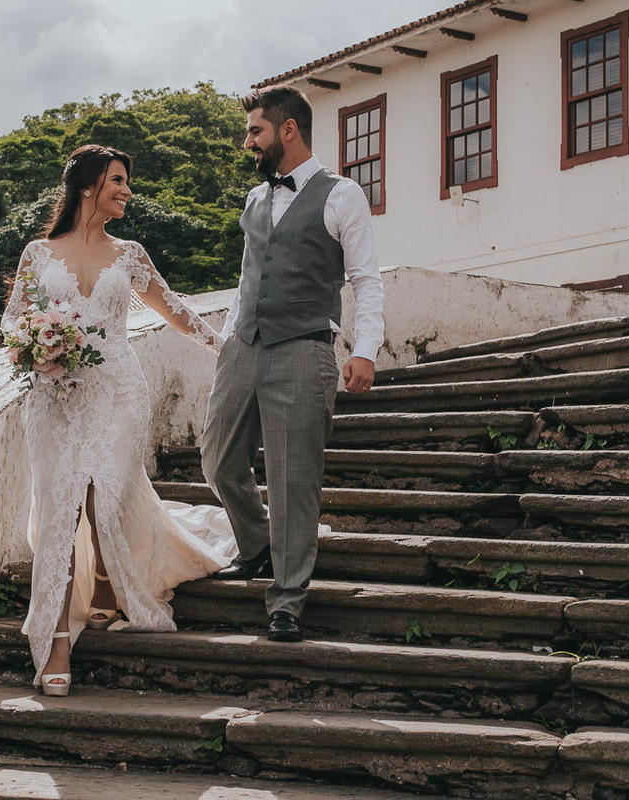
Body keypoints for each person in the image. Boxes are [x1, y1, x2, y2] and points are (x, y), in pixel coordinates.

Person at [0, 144, 237, 696]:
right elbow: (12, 323)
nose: (127, 190)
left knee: (102, 493)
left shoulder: (129, 254)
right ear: (88, 186)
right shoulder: (37, 253)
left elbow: (174, 311)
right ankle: (58, 640)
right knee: (61, 505)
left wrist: (226, 347)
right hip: (54, 399)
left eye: (126, 182)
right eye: (118, 180)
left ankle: (108, 584)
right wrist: (33, 348)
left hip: (118, 394)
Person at [201, 87, 384, 642]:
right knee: (217, 457)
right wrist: (230, 336)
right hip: (243, 346)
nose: (248, 142)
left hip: (305, 349)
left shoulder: (341, 195)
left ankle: (287, 598)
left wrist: (365, 349)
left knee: (293, 478)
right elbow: (247, 276)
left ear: (287, 130)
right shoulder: (255, 200)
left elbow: (365, 279)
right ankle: (257, 545)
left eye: (255, 131)